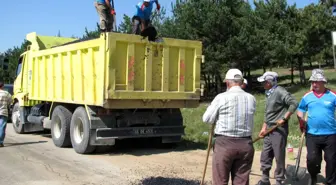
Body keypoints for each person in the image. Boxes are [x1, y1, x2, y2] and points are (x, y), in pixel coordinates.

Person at [203, 69, 257, 185]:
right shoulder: (251, 98)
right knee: (241, 181)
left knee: (220, 180)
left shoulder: (221, 97)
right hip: (245, 143)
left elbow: (207, 118)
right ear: (241, 82)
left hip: (225, 143)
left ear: (227, 82)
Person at [256, 71, 298, 185]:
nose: (263, 84)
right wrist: (263, 127)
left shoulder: (280, 91)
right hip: (269, 128)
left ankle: (279, 180)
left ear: (269, 82)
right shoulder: (268, 92)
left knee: (279, 155)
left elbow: (294, 103)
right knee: (265, 154)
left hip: (279, 129)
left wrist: (284, 118)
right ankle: (265, 179)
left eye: (264, 82)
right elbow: (268, 112)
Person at [296, 69, 336, 185]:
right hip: (312, 134)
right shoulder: (307, 96)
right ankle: (313, 176)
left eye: (317, 81)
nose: (314, 84)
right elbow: (301, 109)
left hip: (331, 133)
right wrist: (301, 119)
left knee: (332, 160)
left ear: (324, 82)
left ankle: (331, 182)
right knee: (312, 159)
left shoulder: (332, 95)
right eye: (313, 81)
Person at [0, 81, 13, 147]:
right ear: (3, 86)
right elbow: (11, 101)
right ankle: (0, 142)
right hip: (3, 112)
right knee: (2, 127)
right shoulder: (6, 93)